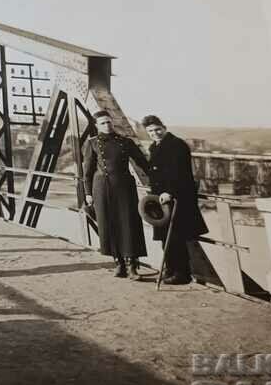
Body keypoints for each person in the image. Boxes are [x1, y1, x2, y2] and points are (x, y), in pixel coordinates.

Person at [83, 110, 150, 277]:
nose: (107, 125)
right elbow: (87, 172)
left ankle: (132, 265)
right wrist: (88, 193)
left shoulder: (125, 142)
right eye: (103, 123)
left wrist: (160, 180)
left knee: (129, 224)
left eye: (109, 122)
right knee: (108, 224)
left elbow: (143, 163)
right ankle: (118, 262)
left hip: (124, 187)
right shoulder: (92, 143)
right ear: (97, 126)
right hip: (101, 188)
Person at [143, 114, 208, 285]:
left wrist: (170, 191)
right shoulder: (154, 146)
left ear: (164, 127)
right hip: (160, 199)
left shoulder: (177, 145)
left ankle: (182, 273)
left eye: (157, 129)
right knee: (166, 237)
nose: (155, 133)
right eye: (150, 131)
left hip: (176, 197)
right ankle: (170, 269)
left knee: (176, 236)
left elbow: (180, 173)